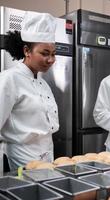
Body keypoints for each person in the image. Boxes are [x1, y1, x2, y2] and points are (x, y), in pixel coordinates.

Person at [0, 11, 58, 170]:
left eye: (53, 54)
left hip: (47, 156)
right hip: (21, 160)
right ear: (27, 51)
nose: (51, 60)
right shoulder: (9, 79)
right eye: (45, 53)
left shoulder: (43, 83)